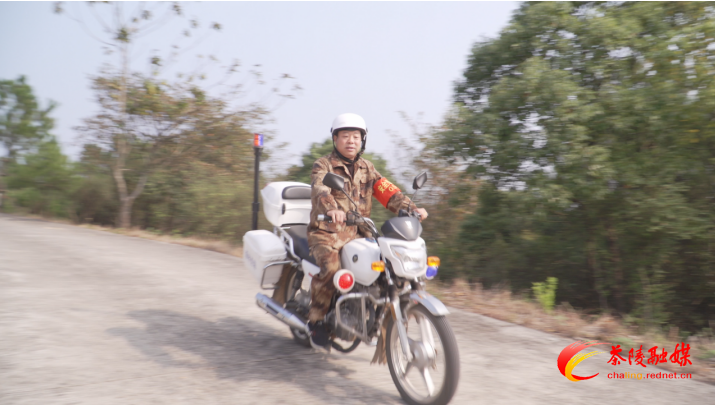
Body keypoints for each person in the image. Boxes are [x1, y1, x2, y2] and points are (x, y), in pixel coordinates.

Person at [306, 113, 428, 350]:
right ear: (335, 139)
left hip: (361, 233)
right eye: (345, 136)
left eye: (356, 136)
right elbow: (321, 190)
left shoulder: (367, 168)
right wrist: (333, 209)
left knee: (391, 267)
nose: (351, 141)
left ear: (362, 140)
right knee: (331, 269)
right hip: (328, 232)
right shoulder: (324, 165)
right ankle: (317, 321)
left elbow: (387, 192)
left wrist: (411, 209)